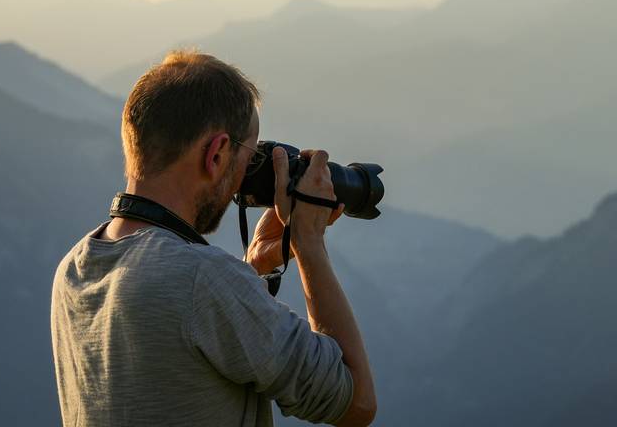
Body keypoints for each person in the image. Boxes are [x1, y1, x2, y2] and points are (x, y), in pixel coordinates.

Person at [50, 50, 377, 427]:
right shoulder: (201, 280)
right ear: (217, 153)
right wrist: (308, 241)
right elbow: (356, 401)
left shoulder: (76, 269)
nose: (246, 176)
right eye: (249, 157)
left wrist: (250, 270)